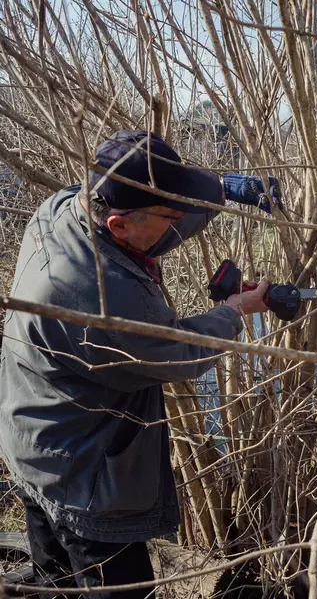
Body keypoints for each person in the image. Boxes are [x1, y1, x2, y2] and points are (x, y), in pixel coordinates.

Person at [0, 130, 282, 598]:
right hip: (79, 475)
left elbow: (165, 218)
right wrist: (233, 311)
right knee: (117, 586)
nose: (180, 222)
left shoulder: (64, 206)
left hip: (30, 431)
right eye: (172, 213)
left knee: (52, 575)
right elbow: (181, 352)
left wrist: (223, 190)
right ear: (119, 227)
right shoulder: (101, 297)